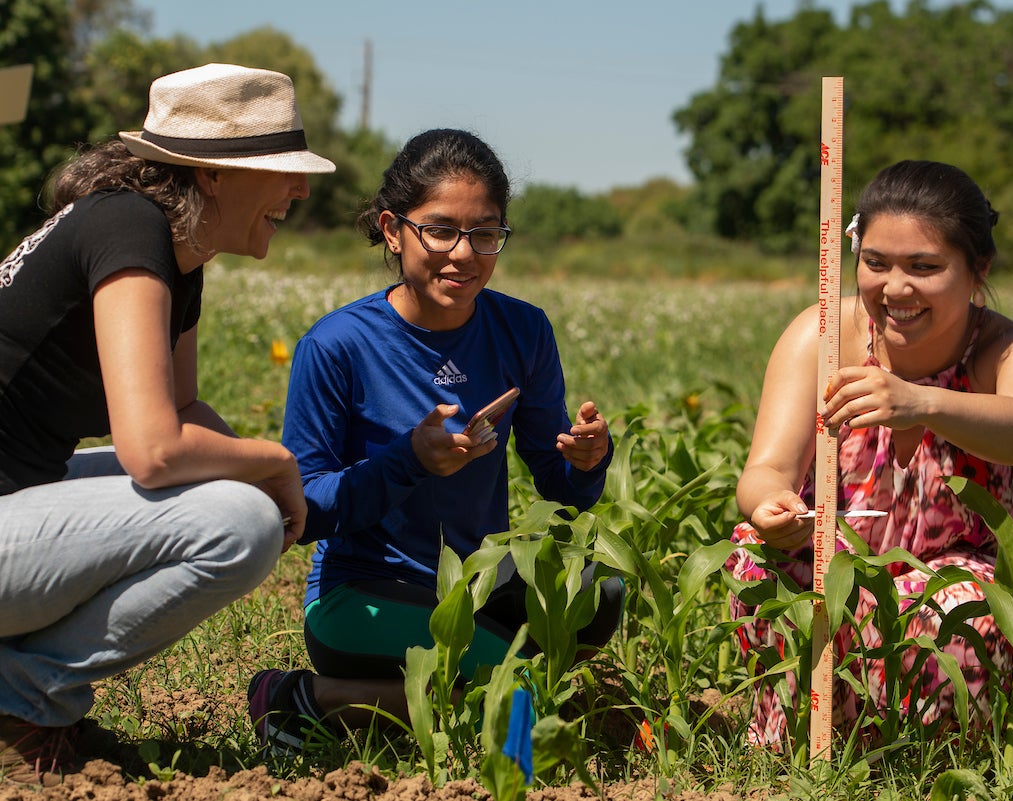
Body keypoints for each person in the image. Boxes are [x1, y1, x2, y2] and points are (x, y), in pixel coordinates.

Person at [0, 63, 334, 784]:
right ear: (212, 174)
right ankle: (20, 703)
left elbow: (181, 411)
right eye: (284, 169)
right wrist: (274, 464)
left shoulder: (177, 250)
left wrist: (283, 475)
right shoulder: (129, 227)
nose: (302, 189)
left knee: (237, 501)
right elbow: (153, 449)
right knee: (236, 522)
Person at [247, 128, 624, 756]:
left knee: (600, 596)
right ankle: (304, 698)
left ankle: (463, 689)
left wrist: (587, 459)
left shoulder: (523, 330)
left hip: (473, 581)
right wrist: (409, 462)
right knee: (518, 688)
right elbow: (303, 510)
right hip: (361, 591)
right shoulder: (337, 346)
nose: (464, 254)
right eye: (441, 230)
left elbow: (560, 487)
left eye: (485, 234)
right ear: (394, 230)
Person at [726, 160, 1013, 747]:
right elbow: (766, 469)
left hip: (955, 574)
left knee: (965, 609)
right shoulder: (822, 335)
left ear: (978, 268)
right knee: (755, 561)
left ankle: (930, 756)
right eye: (876, 263)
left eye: (925, 267)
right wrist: (769, 506)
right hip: (833, 557)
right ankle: (797, 737)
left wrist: (923, 403)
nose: (896, 288)